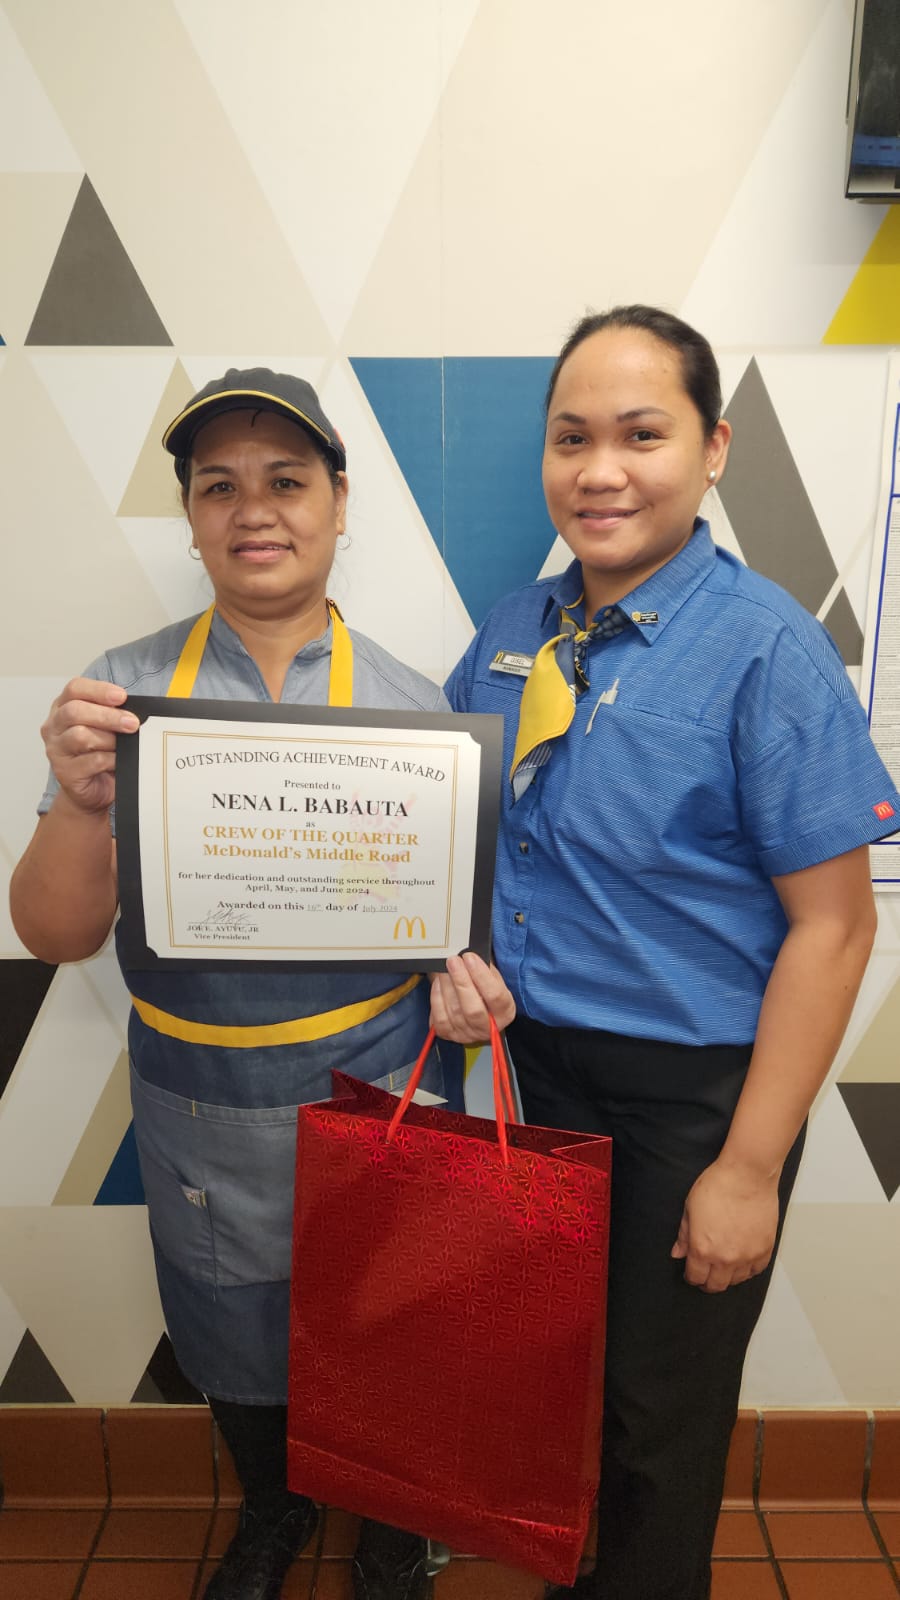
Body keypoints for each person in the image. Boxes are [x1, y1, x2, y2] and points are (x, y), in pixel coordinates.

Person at [429, 305, 900, 1600]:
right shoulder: (519, 624)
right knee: (563, 1391)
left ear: (714, 449)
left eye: (643, 434)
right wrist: (452, 961)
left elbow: (837, 927)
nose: (601, 469)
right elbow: (463, 826)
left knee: (656, 1421)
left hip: (694, 1096)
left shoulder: (766, 649)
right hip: (540, 1078)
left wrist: (748, 1168)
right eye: (572, 437)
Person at [9, 368, 464, 1600]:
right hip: (199, 1089)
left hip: (373, 1076)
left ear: (339, 501)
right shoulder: (125, 695)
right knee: (230, 1327)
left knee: (382, 1321)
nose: (252, 509)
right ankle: (274, 1508)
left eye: (285, 480)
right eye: (220, 486)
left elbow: (463, 932)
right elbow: (54, 934)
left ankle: (383, 1523)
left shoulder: (422, 707)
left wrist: (472, 984)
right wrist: (85, 800)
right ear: (192, 517)